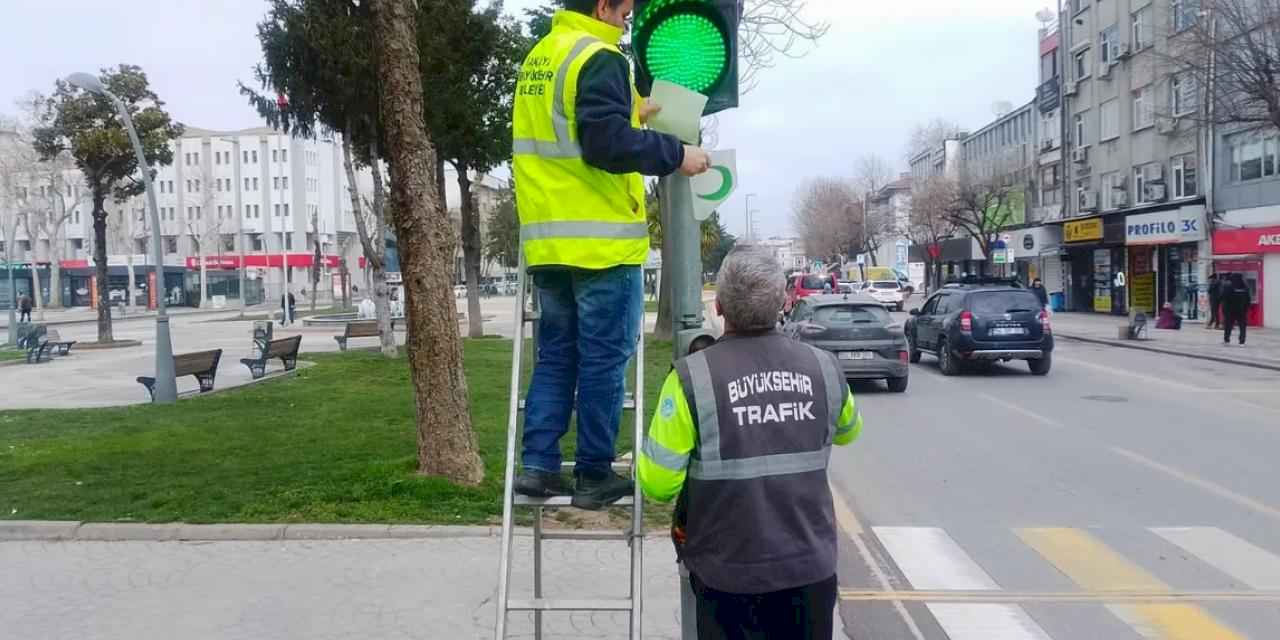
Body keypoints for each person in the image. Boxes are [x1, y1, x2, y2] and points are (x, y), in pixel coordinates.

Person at [511, 0, 712, 508]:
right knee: (603, 363)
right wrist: (677, 155)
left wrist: (630, 111)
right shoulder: (600, 57)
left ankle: (538, 467)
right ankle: (594, 474)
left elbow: (569, 129)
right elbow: (605, 145)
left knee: (556, 357)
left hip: (549, 243)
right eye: (624, 11)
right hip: (601, 246)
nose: (628, 21)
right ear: (603, 6)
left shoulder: (543, 56)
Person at [638, 247, 863, 640]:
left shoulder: (692, 379)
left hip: (726, 576)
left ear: (719, 306)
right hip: (808, 569)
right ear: (783, 302)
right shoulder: (824, 368)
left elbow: (658, 484)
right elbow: (848, 431)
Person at [1222, 273, 1252, 346]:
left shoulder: (1228, 287)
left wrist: (1225, 310)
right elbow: (1248, 300)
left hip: (1230, 311)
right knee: (1242, 326)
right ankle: (1242, 342)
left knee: (1228, 326)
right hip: (1241, 311)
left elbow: (1224, 299)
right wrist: (1245, 309)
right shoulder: (1245, 288)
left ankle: (1226, 340)